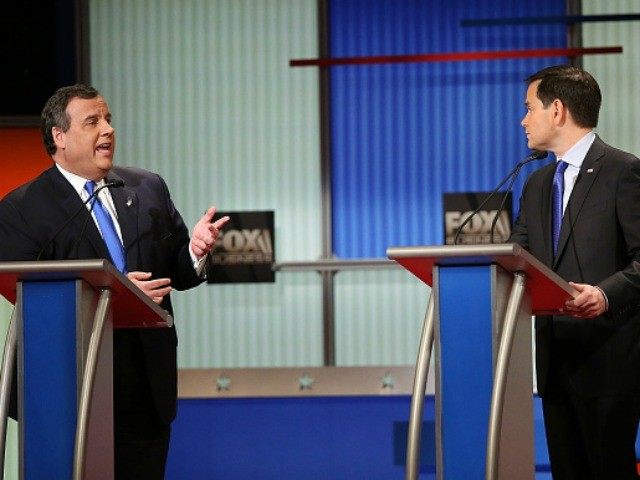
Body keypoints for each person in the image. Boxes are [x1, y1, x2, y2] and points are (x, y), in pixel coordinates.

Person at [0, 84, 229, 479]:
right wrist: (118, 294)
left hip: (145, 386)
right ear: (60, 137)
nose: (107, 130)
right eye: (92, 122)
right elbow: (27, 294)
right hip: (66, 392)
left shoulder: (146, 188)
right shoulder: (22, 209)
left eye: (108, 120)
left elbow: (173, 272)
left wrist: (194, 251)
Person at [510, 65, 640, 479]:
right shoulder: (536, 184)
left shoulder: (623, 171)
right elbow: (519, 259)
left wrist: (605, 294)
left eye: (530, 108)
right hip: (554, 362)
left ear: (558, 110)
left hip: (609, 363)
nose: (524, 119)